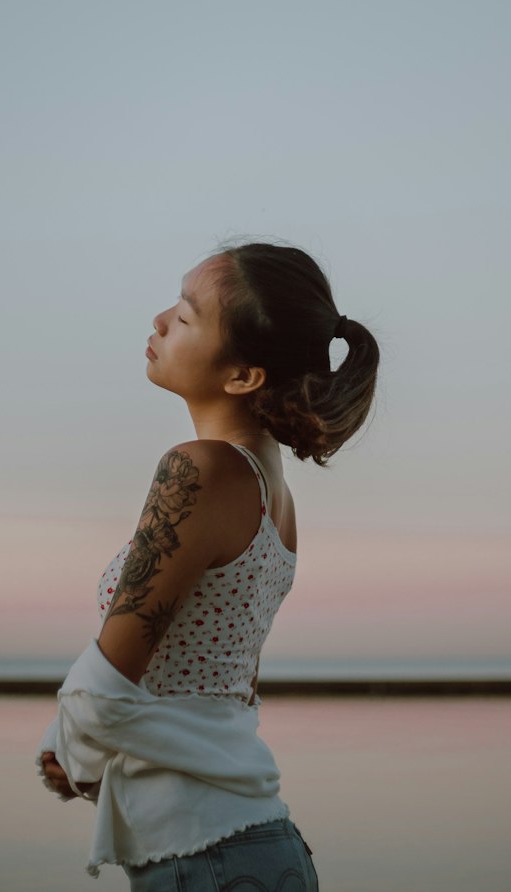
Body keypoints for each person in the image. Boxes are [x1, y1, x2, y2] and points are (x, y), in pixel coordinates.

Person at [35, 240, 379, 888]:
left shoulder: (200, 469)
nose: (161, 320)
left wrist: (68, 751)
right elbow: (222, 694)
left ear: (244, 375)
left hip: (206, 862)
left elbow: (108, 679)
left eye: (187, 316)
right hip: (255, 850)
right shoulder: (275, 495)